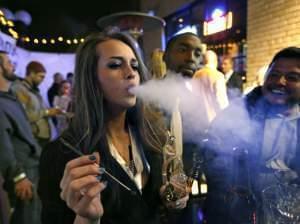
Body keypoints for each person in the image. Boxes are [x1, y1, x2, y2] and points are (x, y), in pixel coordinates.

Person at [38, 31, 189, 224]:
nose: (131, 73)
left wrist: (171, 199)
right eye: (115, 65)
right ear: (91, 78)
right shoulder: (62, 153)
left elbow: (153, 208)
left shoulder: (152, 137)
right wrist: (86, 219)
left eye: (135, 66)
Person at [204, 46, 300, 223]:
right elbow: (212, 157)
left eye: (292, 77)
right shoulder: (240, 111)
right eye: (274, 74)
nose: (280, 81)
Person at [162, 32, 207, 224]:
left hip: (187, 199)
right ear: (165, 55)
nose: (190, 58)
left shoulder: (199, 101)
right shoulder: (145, 100)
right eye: (183, 50)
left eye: (197, 53)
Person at [0, 50, 42, 224]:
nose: (12, 66)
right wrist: (18, 176)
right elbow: (2, 144)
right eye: (8, 62)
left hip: (32, 167)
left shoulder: (10, 97)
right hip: (23, 173)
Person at [11, 61, 62, 148]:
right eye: (41, 76)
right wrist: (47, 112)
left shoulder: (33, 90)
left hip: (41, 137)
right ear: (31, 74)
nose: (42, 80)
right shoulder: (19, 89)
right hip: (33, 138)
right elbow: (25, 115)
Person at [193, 50, 229, 125]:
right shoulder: (218, 76)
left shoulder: (195, 76)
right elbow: (221, 102)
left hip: (197, 122)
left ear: (203, 61)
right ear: (216, 61)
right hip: (214, 122)